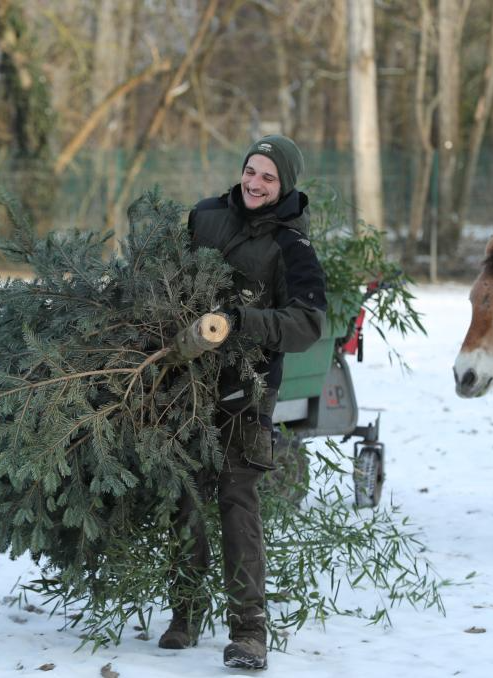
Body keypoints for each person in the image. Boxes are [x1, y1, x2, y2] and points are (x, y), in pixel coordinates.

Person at [159, 134, 327, 670]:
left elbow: (306, 324)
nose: (255, 183)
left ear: (285, 187)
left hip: (247, 388)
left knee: (237, 502)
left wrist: (240, 323)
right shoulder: (204, 217)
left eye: (268, 177)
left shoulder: (292, 247)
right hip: (186, 383)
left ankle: (249, 630)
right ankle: (185, 612)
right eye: (251, 170)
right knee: (182, 496)